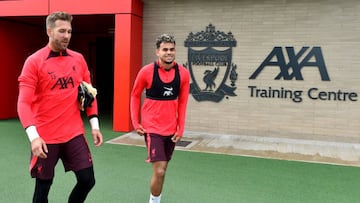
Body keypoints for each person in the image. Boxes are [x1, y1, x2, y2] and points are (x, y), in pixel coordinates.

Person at [17, 11, 103, 203]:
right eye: (62, 31)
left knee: (87, 180)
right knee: (43, 190)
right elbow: (23, 103)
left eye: (69, 31)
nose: (67, 36)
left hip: (73, 133)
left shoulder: (78, 59)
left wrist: (95, 125)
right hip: (45, 136)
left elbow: (90, 93)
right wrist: (34, 138)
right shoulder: (34, 62)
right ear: (49, 31)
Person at [130, 33, 190, 203]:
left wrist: (181, 127)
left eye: (171, 49)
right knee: (160, 171)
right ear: (157, 51)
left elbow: (183, 102)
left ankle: (156, 199)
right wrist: (136, 122)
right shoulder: (147, 71)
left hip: (170, 130)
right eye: (165, 49)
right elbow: (134, 95)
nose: (168, 52)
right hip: (152, 128)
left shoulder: (183, 74)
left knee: (163, 171)